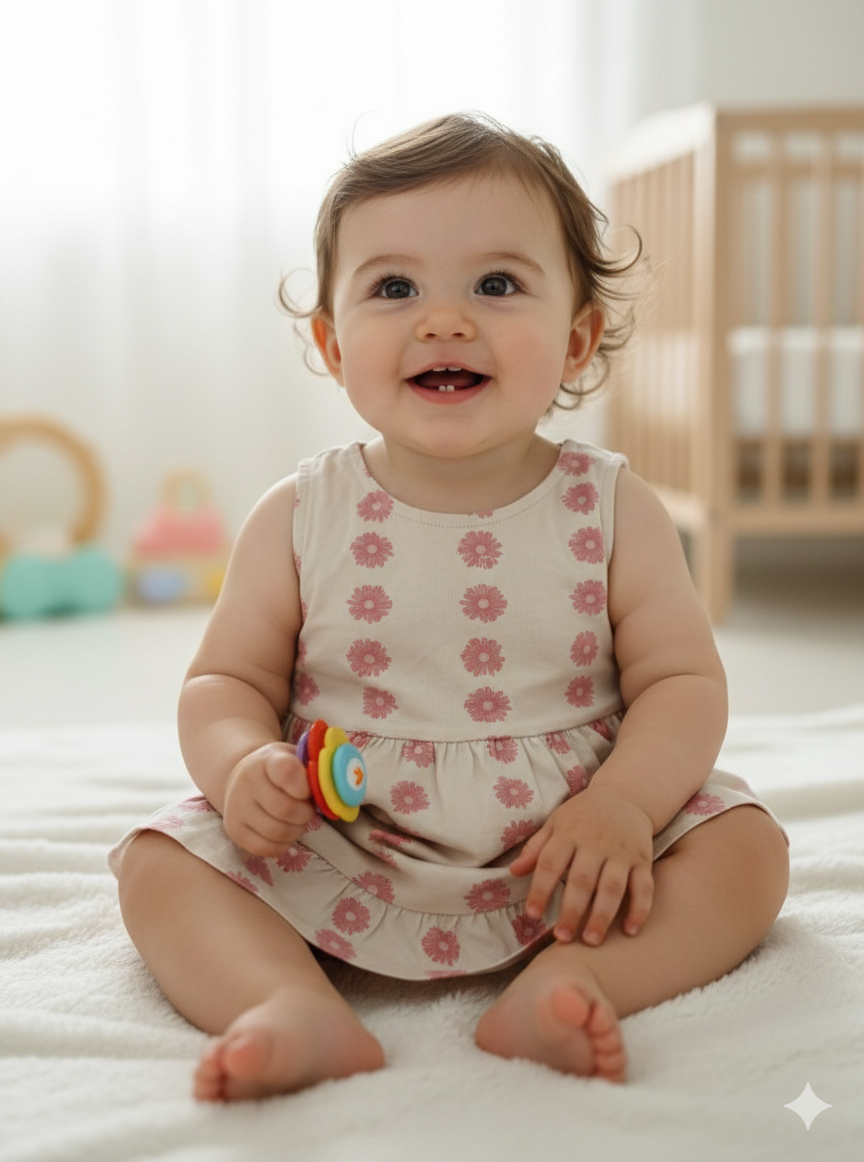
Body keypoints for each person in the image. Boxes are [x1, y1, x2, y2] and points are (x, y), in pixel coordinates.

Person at [111, 112, 789, 1102]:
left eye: (497, 284)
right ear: (335, 344)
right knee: (159, 863)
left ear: (577, 335)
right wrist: (239, 762)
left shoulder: (613, 505)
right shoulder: (302, 511)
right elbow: (225, 679)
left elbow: (682, 679)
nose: (444, 319)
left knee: (748, 850)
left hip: (569, 845)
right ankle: (285, 998)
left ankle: (576, 976)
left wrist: (625, 805)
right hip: (345, 832)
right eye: (395, 287)